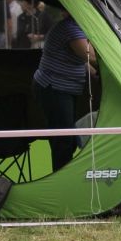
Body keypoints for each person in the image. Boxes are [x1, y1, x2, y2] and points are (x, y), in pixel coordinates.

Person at [32, 12, 96, 171]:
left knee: (66, 137)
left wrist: (96, 73)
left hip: (62, 88)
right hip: (53, 87)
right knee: (64, 139)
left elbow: (81, 61)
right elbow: (91, 56)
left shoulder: (76, 28)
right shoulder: (71, 28)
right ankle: (61, 180)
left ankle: (64, 175)